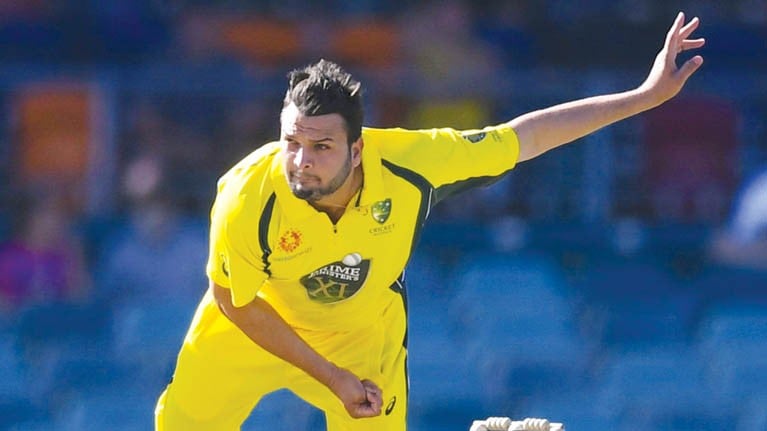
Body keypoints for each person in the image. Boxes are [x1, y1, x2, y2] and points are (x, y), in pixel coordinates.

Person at [155, 12, 705, 430]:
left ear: (357, 150)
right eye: (291, 142)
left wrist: (644, 97)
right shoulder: (247, 193)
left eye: (321, 146)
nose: (301, 160)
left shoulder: (412, 162)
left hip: (359, 338)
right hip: (251, 329)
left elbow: (526, 136)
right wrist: (330, 376)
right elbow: (234, 301)